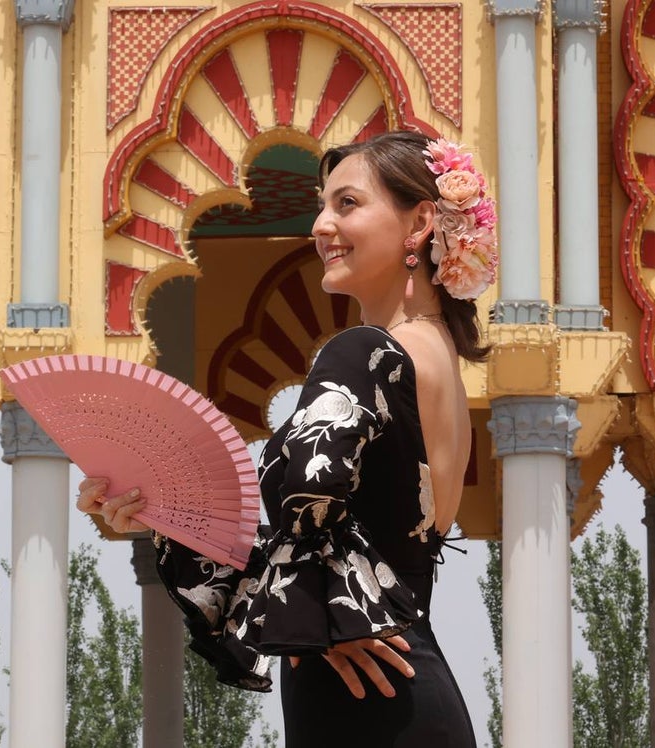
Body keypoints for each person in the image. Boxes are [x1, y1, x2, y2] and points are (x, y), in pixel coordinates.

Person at [77, 130, 496, 746]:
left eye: (347, 204)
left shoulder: (365, 353)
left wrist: (334, 610)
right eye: (321, 207)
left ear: (421, 223)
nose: (321, 225)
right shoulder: (435, 358)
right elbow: (313, 541)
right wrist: (158, 512)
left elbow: (305, 497)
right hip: (395, 689)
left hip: (366, 702)